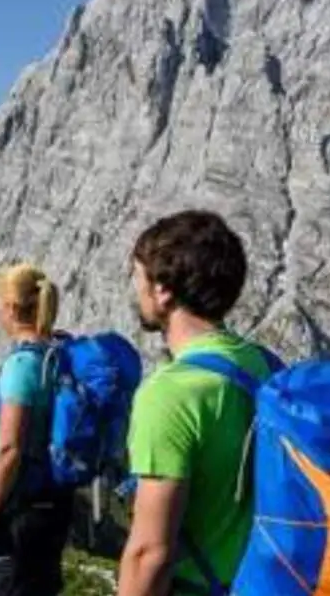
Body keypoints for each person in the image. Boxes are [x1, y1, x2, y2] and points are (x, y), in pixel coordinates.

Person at [116, 210, 275, 596]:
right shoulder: (260, 364)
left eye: (139, 277)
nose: (135, 289)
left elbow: (149, 552)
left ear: (163, 290)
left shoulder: (170, 394)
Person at [0, 262, 75, 596]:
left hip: (21, 510)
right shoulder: (57, 355)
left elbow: (9, 448)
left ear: (12, 309)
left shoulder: (22, 365)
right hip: (55, 503)